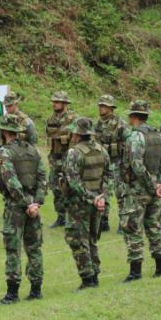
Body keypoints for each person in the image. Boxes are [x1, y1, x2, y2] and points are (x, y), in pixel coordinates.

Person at [0, 114, 48, 304]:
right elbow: (43, 178)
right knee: (34, 248)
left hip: (17, 207)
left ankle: (12, 294)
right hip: (32, 205)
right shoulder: (33, 151)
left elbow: (11, 182)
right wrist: (36, 203)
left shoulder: (5, 153)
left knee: (13, 249)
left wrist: (26, 203)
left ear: (5, 132)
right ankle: (36, 289)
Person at [116, 100, 161, 281]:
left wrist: (150, 184)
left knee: (132, 228)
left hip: (138, 190)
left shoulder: (135, 137)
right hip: (155, 190)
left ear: (134, 116)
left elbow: (136, 165)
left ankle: (135, 272)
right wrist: (160, 184)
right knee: (154, 227)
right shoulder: (159, 136)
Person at [59, 117, 112, 290]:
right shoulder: (102, 150)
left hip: (79, 204)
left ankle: (88, 278)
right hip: (97, 203)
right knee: (91, 239)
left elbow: (73, 181)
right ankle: (94, 274)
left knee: (77, 241)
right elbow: (109, 176)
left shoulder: (74, 153)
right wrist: (101, 196)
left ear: (77, 134)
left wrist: (91, 197)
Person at [44, 91, 78, 228]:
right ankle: (61, 217)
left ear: (65, 104)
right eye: (54, 101)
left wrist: (71, 159)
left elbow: (76, 139)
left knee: (69, 188)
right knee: (56, 189)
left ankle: (72, 217)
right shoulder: (51, 119)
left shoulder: (73, 119)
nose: (54, 104)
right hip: (54, 159)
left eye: (57, 102)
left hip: (68, 159)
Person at [94, 94, 126, 233]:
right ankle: (103, 221)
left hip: (117, 162)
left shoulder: (120, 124)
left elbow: (126, 144)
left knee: (121, 193)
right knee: (102, 192)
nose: (101, 108)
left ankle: (123, 224)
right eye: (100, 105)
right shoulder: (97, 124)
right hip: (102, 163)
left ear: (111, 108)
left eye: (104, 106)